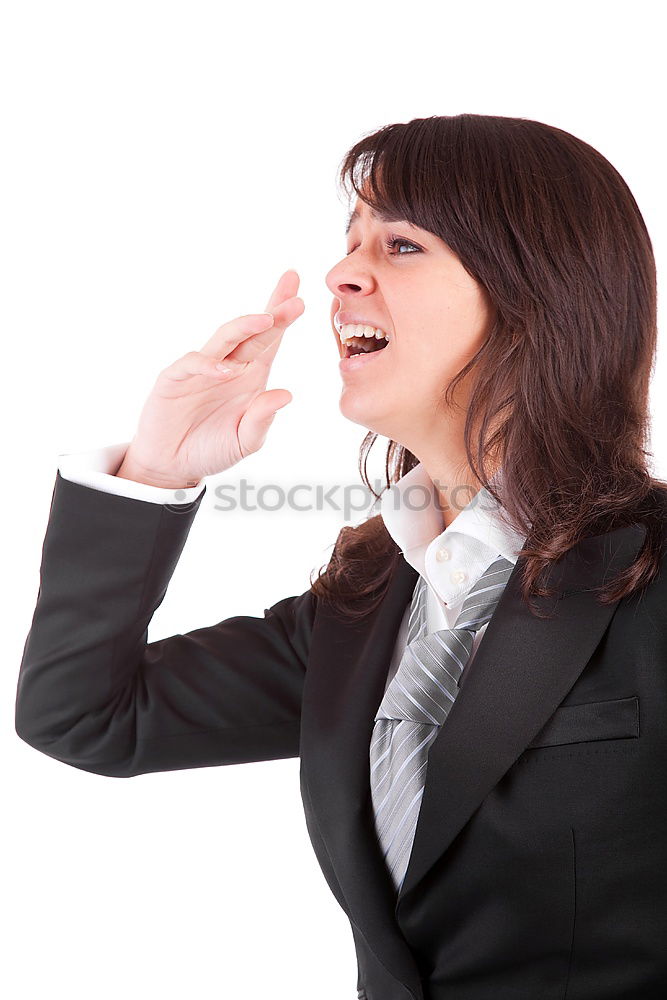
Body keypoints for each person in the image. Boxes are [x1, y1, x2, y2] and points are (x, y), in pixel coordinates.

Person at [14, 113, 667, 999]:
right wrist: (155, 470)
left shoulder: (652, 574)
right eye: (349, 239)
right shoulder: (360, 606)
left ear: (536, 292)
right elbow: (85, 715)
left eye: (399, 244)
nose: (339, 274)